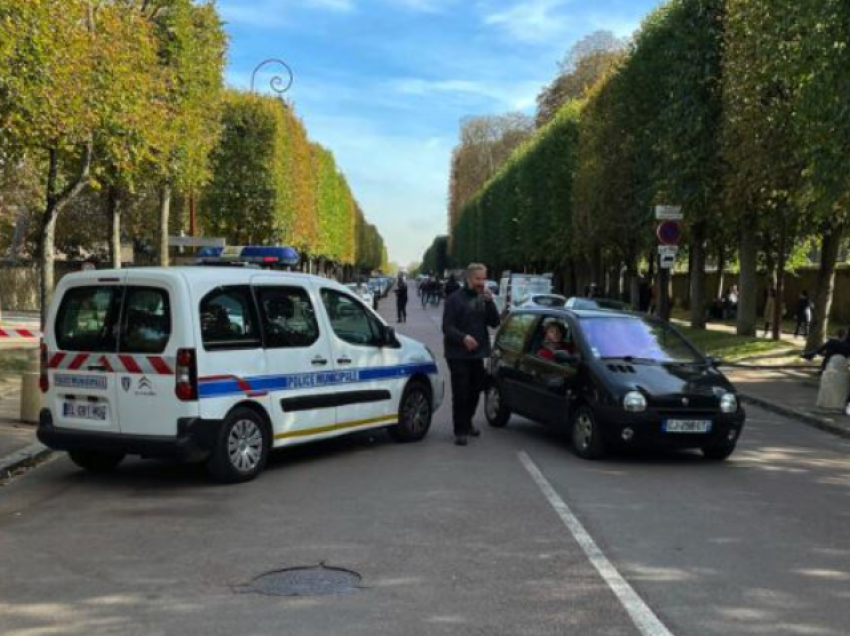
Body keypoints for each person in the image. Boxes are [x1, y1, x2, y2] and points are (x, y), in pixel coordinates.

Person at [442, 263, 500, 446]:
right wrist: (463, 337)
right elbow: (447, 327)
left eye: (484, 279)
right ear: (468, 278)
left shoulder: (484, 299)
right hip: (457, 353)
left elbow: (494, 322)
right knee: (461, 392)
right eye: (478, 279)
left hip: (477, 354)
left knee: (476, 389)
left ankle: (468, 421)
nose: (481, 283)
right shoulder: (453, 299)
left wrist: (491, 303)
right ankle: (460, 430)